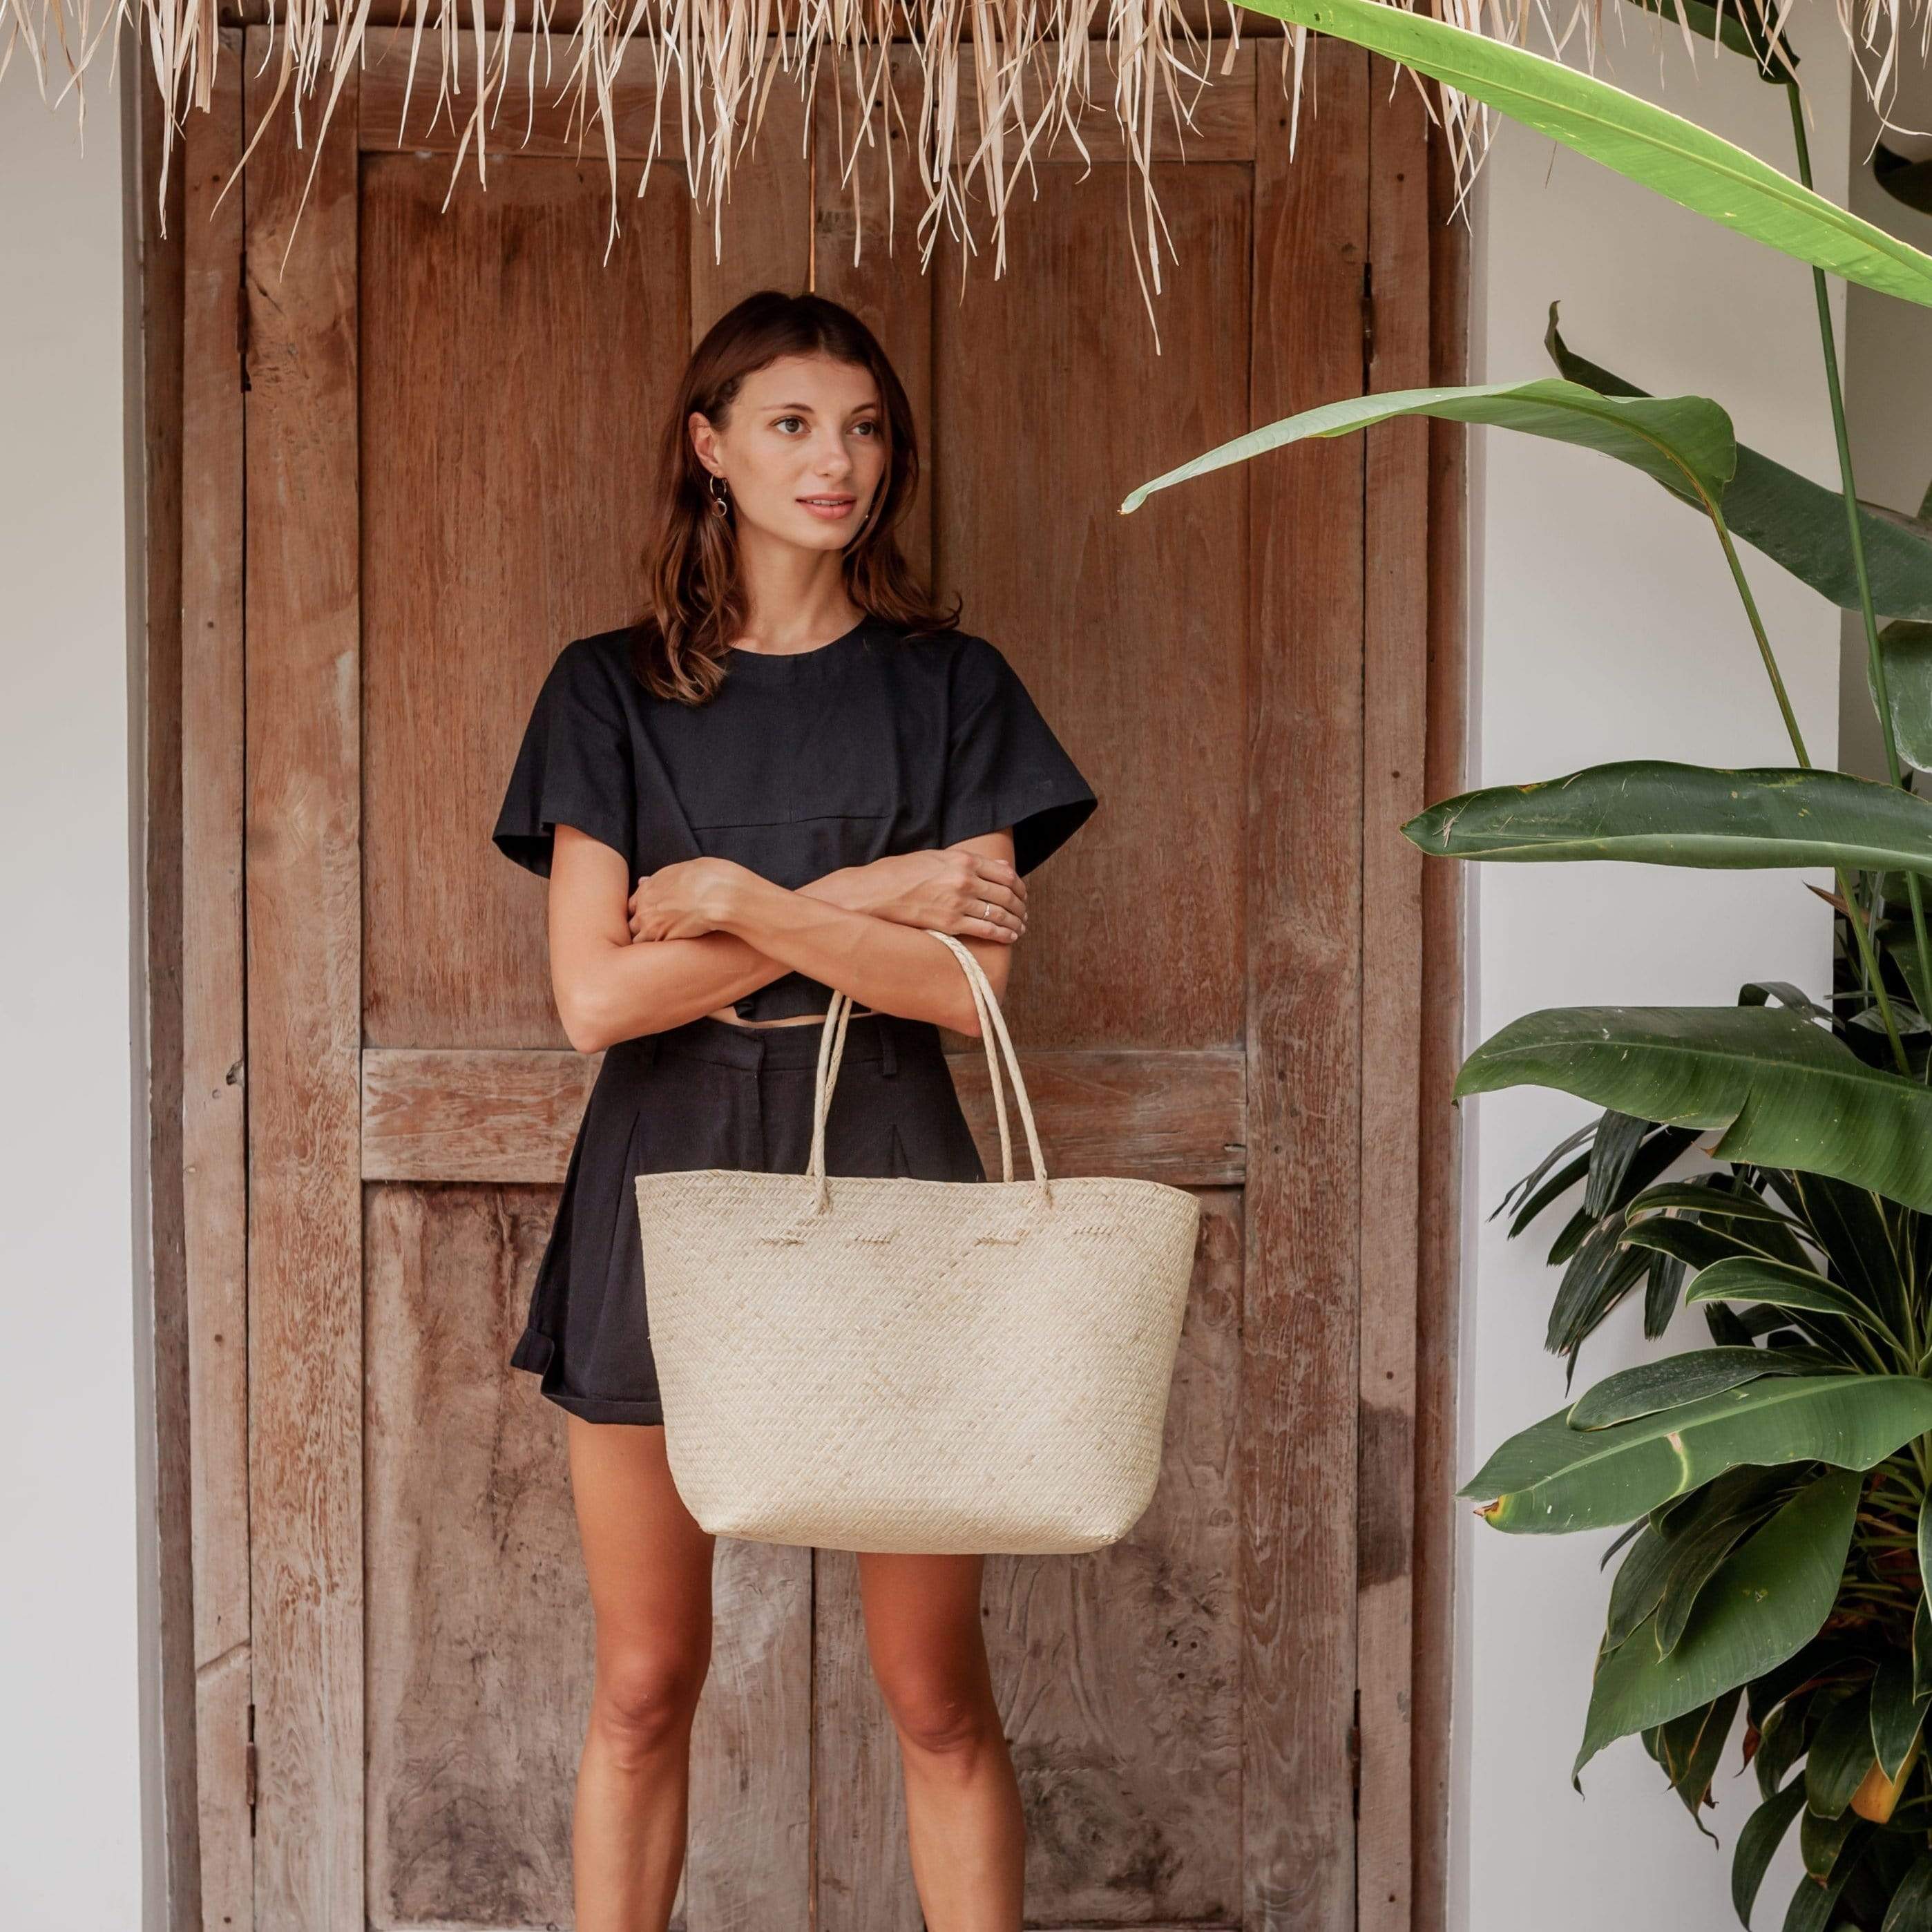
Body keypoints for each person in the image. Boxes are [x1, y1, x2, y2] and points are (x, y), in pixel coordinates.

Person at [490, 288, 1099, 1932]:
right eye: (791, 424)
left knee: (936, 1695)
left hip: (896, 1173)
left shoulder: (953, 686)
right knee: (642, 1685)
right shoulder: (606, 690)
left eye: (864, 428)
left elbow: (966, 994)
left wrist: (742, 901)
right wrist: (878, 891)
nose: (837, 461)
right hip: (661, 1187)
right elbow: (595, 1001)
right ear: (711, 447)